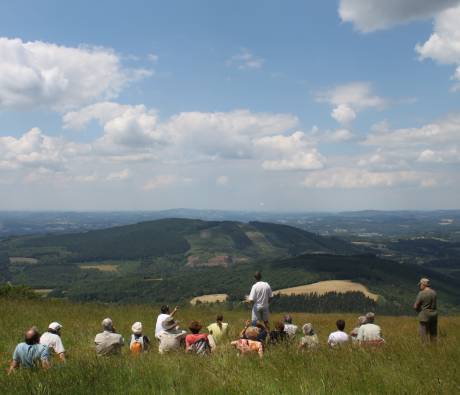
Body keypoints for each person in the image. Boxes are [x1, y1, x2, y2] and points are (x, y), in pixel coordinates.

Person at [413, 278, 438, 342]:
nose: (420, 286)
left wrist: (419, 311)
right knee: (433, 334)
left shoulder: (421, 293)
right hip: (434, 315)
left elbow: (415, 306)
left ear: (423, 284)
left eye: (420, 284)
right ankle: (434, 348)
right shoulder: (434, 293)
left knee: (423, 334)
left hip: (424, 316)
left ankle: (424, 348)